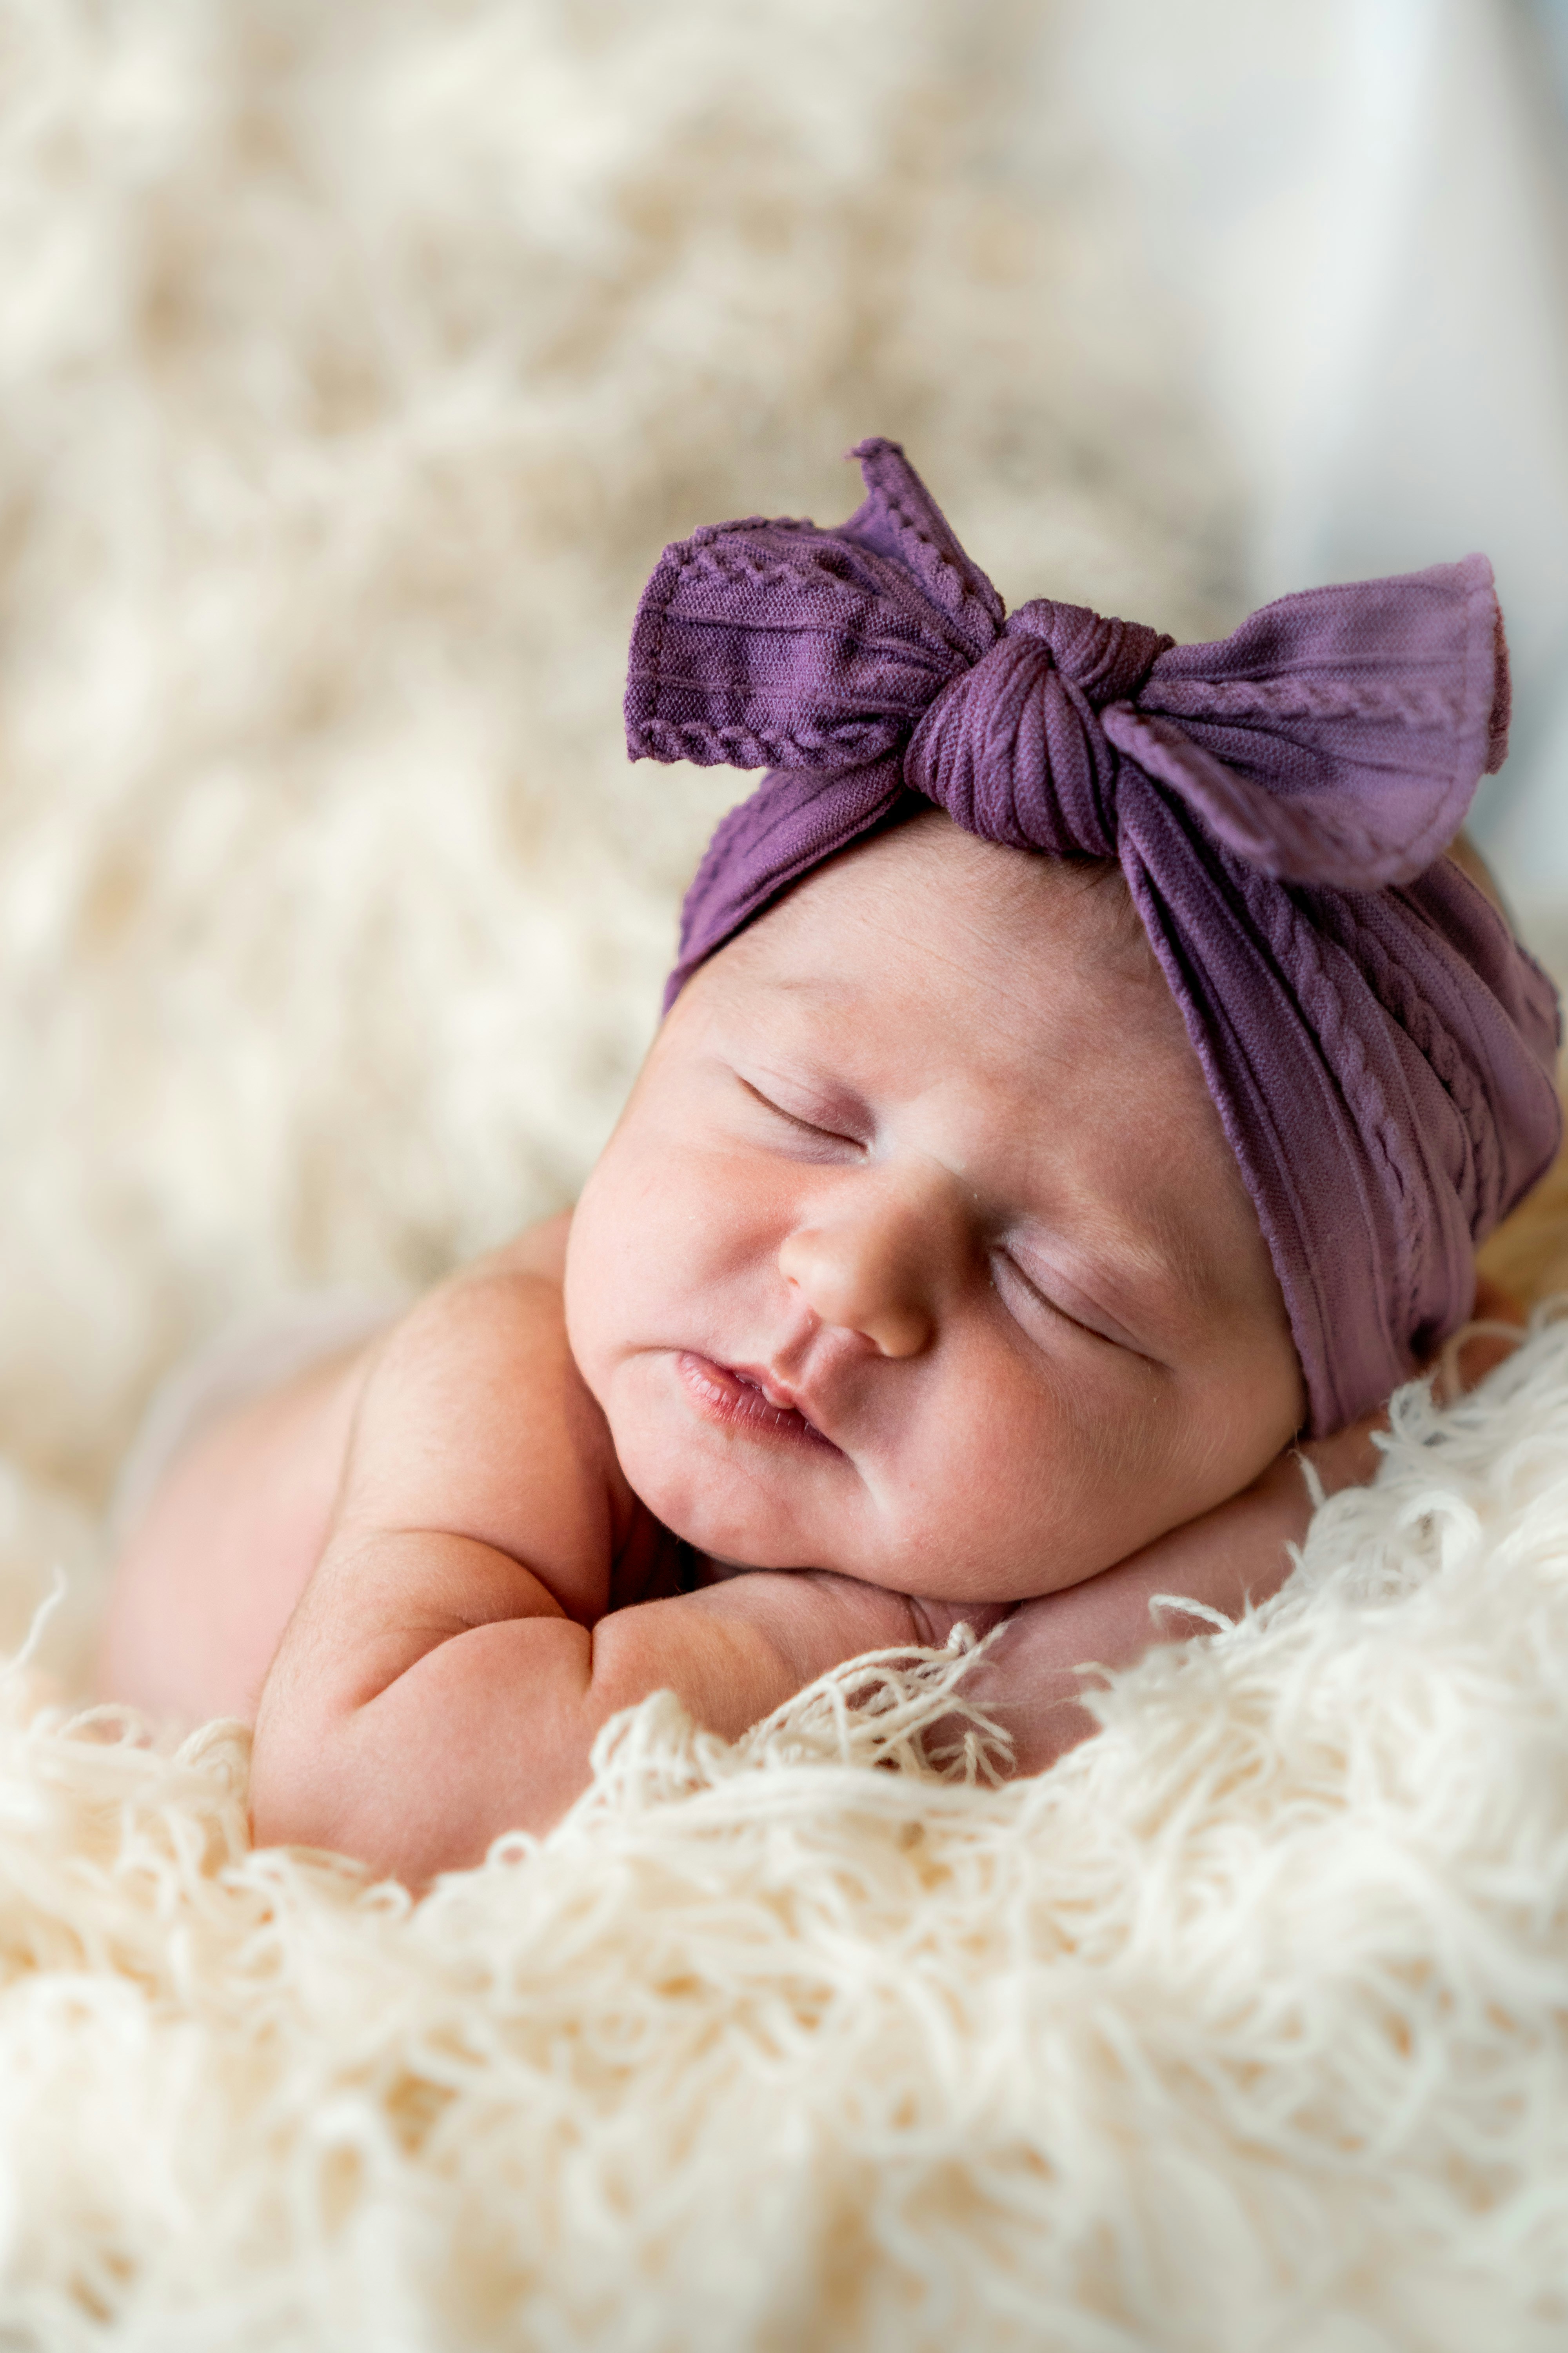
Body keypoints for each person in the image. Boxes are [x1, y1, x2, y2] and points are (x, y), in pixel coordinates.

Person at [96, 442, 1561, 1887]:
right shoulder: (496, 1377)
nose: (851, 1270)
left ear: (1279, 1427)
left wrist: (1355, 1484)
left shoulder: (1250, 1473)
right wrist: (921, 1661)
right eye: (798, 1112)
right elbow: (368, 1811)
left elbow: (1393, 1479)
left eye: (1065, 1294)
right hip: (189, 1492)